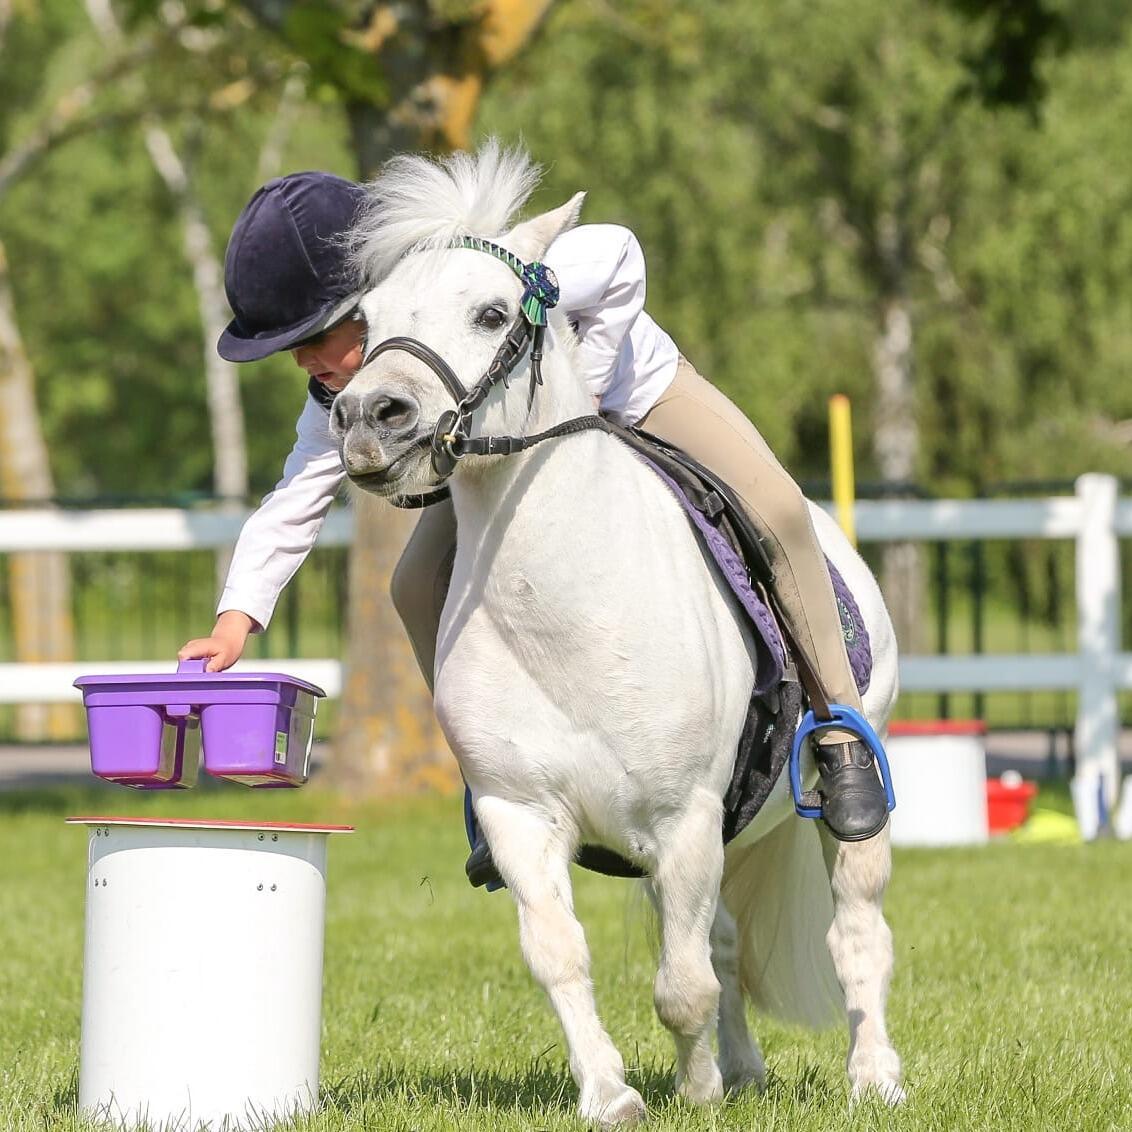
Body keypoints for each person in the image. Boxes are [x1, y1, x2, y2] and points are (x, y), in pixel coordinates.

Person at [180, 169, 888, 886]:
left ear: (372, 300)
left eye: (315, 337)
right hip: (512, 458)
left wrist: (590, 379)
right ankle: (491, 787)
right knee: (414, 584)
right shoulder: (351, 391)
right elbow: (295, 496)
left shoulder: (496, 269)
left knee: (779, 510)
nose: (304, 362)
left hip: (639, 397)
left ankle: (843, 729)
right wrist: (236, 619)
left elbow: (617, 254)